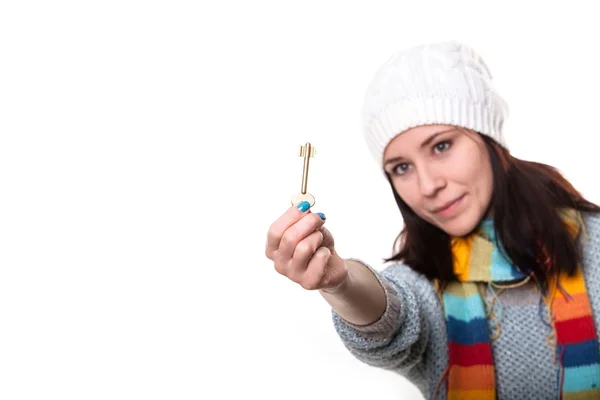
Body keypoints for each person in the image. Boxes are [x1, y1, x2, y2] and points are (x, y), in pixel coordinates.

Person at [264, 40, 600, 400]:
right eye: (402, 167)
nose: (427, 186)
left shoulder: (593, 245)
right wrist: (339, 283)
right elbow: (390, 318)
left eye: (441, 146)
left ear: (489, 139)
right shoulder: (422, 280)